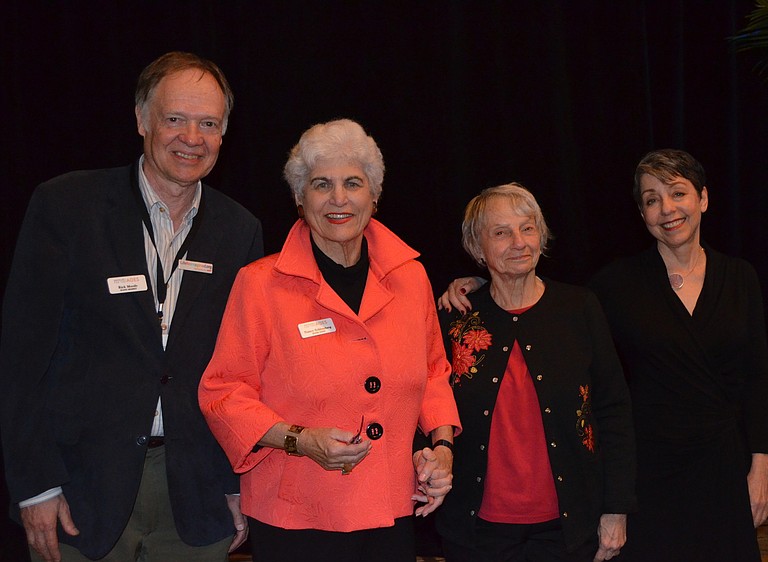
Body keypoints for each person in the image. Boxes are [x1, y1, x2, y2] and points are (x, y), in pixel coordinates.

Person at [442, 151, 768, 562]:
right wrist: (477, 284)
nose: (667, 209)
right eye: (652, 199)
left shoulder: (741, 278)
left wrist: (761, 466)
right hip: (649, 472)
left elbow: (758, 377)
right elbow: (538, 309)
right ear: (642, 212)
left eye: (678, 193)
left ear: (703, 199)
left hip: (722, 463)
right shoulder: (613, 286)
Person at [0, 52, 263, 562]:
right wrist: (34, 484)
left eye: (208, 123)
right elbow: (20, 359)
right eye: (176, 119)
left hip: (195, 495)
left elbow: (243, 370)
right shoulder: (66, 206)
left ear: (224, 133)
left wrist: (237, 483)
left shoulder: (240, 230)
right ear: (142, 120)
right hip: (79, 492)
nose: (192, 137)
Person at [198, 118, 461, 562]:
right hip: (296, 516)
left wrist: (442, 448)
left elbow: (435, 371)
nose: (338, 199)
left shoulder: (410, 277)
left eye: (353, 183)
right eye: (321, 185)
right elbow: (223, 392)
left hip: (391, 508)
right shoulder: (259, 285)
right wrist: (300, 439)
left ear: (374, 196)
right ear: (300, 200)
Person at [435, 183, 636, 562]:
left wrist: (616, 509)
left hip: (567, 528)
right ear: (477, 248)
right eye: (501, 232)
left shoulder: (579, 307)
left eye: (528, 228)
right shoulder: (456, 317)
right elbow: (427, 405)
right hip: (477, 530)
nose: (519, 242)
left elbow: (614, 412)